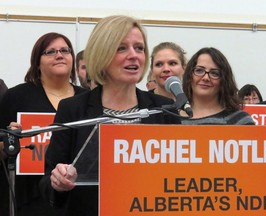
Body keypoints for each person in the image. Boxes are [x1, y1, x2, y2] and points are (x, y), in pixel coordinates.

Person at [39, 15, 181, 216]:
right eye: (121, 48)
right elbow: (47, 181)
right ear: (102, 55)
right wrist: (58, 182)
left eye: (139, 48)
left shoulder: (164, 109)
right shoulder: (73, 109)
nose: (134, 55)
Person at [0, 32, 87, 216]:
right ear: (37, 62)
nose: (59, 55)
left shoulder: (88, 99)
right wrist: (10, 141)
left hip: (76, 198)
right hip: (27, 199)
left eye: (65, 50)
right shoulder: (16, 97)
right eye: (50, 51)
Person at [181, 47, 255, 125]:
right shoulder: (170, 117)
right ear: (189, 75)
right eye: (199, 70)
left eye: (214, 73)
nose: (206, 78)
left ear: (224, 80)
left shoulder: (240, 121)